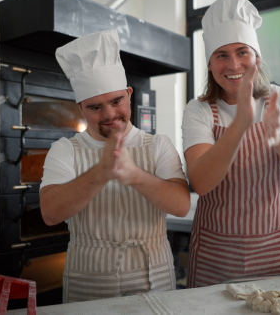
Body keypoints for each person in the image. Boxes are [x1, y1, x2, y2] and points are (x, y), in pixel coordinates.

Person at [182, 0, 280, 288]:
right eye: (221, 55)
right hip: (215, 253)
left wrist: (279, 136)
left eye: (242, 52)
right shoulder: (198, 110)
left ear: (256, 58)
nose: (233, 64)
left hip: (273, 250)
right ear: (210, 64)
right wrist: (242, 124)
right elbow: (201, 182)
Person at [40, 29, 191, 302]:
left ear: (129, 94)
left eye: (116, 101)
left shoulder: (158, 145)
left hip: (153, 276)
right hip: (89, 281)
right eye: (95, 107)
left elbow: (181, 206)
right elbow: (50, 213)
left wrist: (134, 175)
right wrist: (101, 172)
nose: (109, 114)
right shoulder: (65, 150)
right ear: (80, 109)